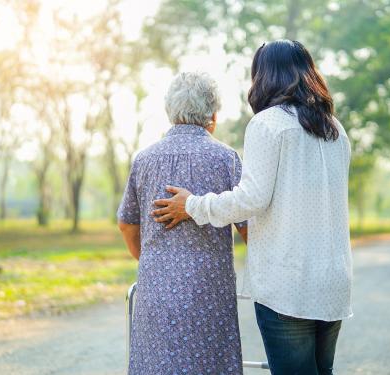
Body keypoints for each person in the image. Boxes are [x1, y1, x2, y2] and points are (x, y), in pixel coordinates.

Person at [152, 40, 352, 375]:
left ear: (263, 76)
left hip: (289, 283)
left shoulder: (268, 124)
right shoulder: (334, 128)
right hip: (332, 280)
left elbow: (250, 199)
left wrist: (193, 205)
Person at [117, 71, 247, 375]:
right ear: (212, 115)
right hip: (210, 292)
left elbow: (126, 224)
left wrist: (152, 261)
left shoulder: (144, 160)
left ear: (169, 110)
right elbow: (247, 227)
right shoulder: (226, 159)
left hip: (155, 291)